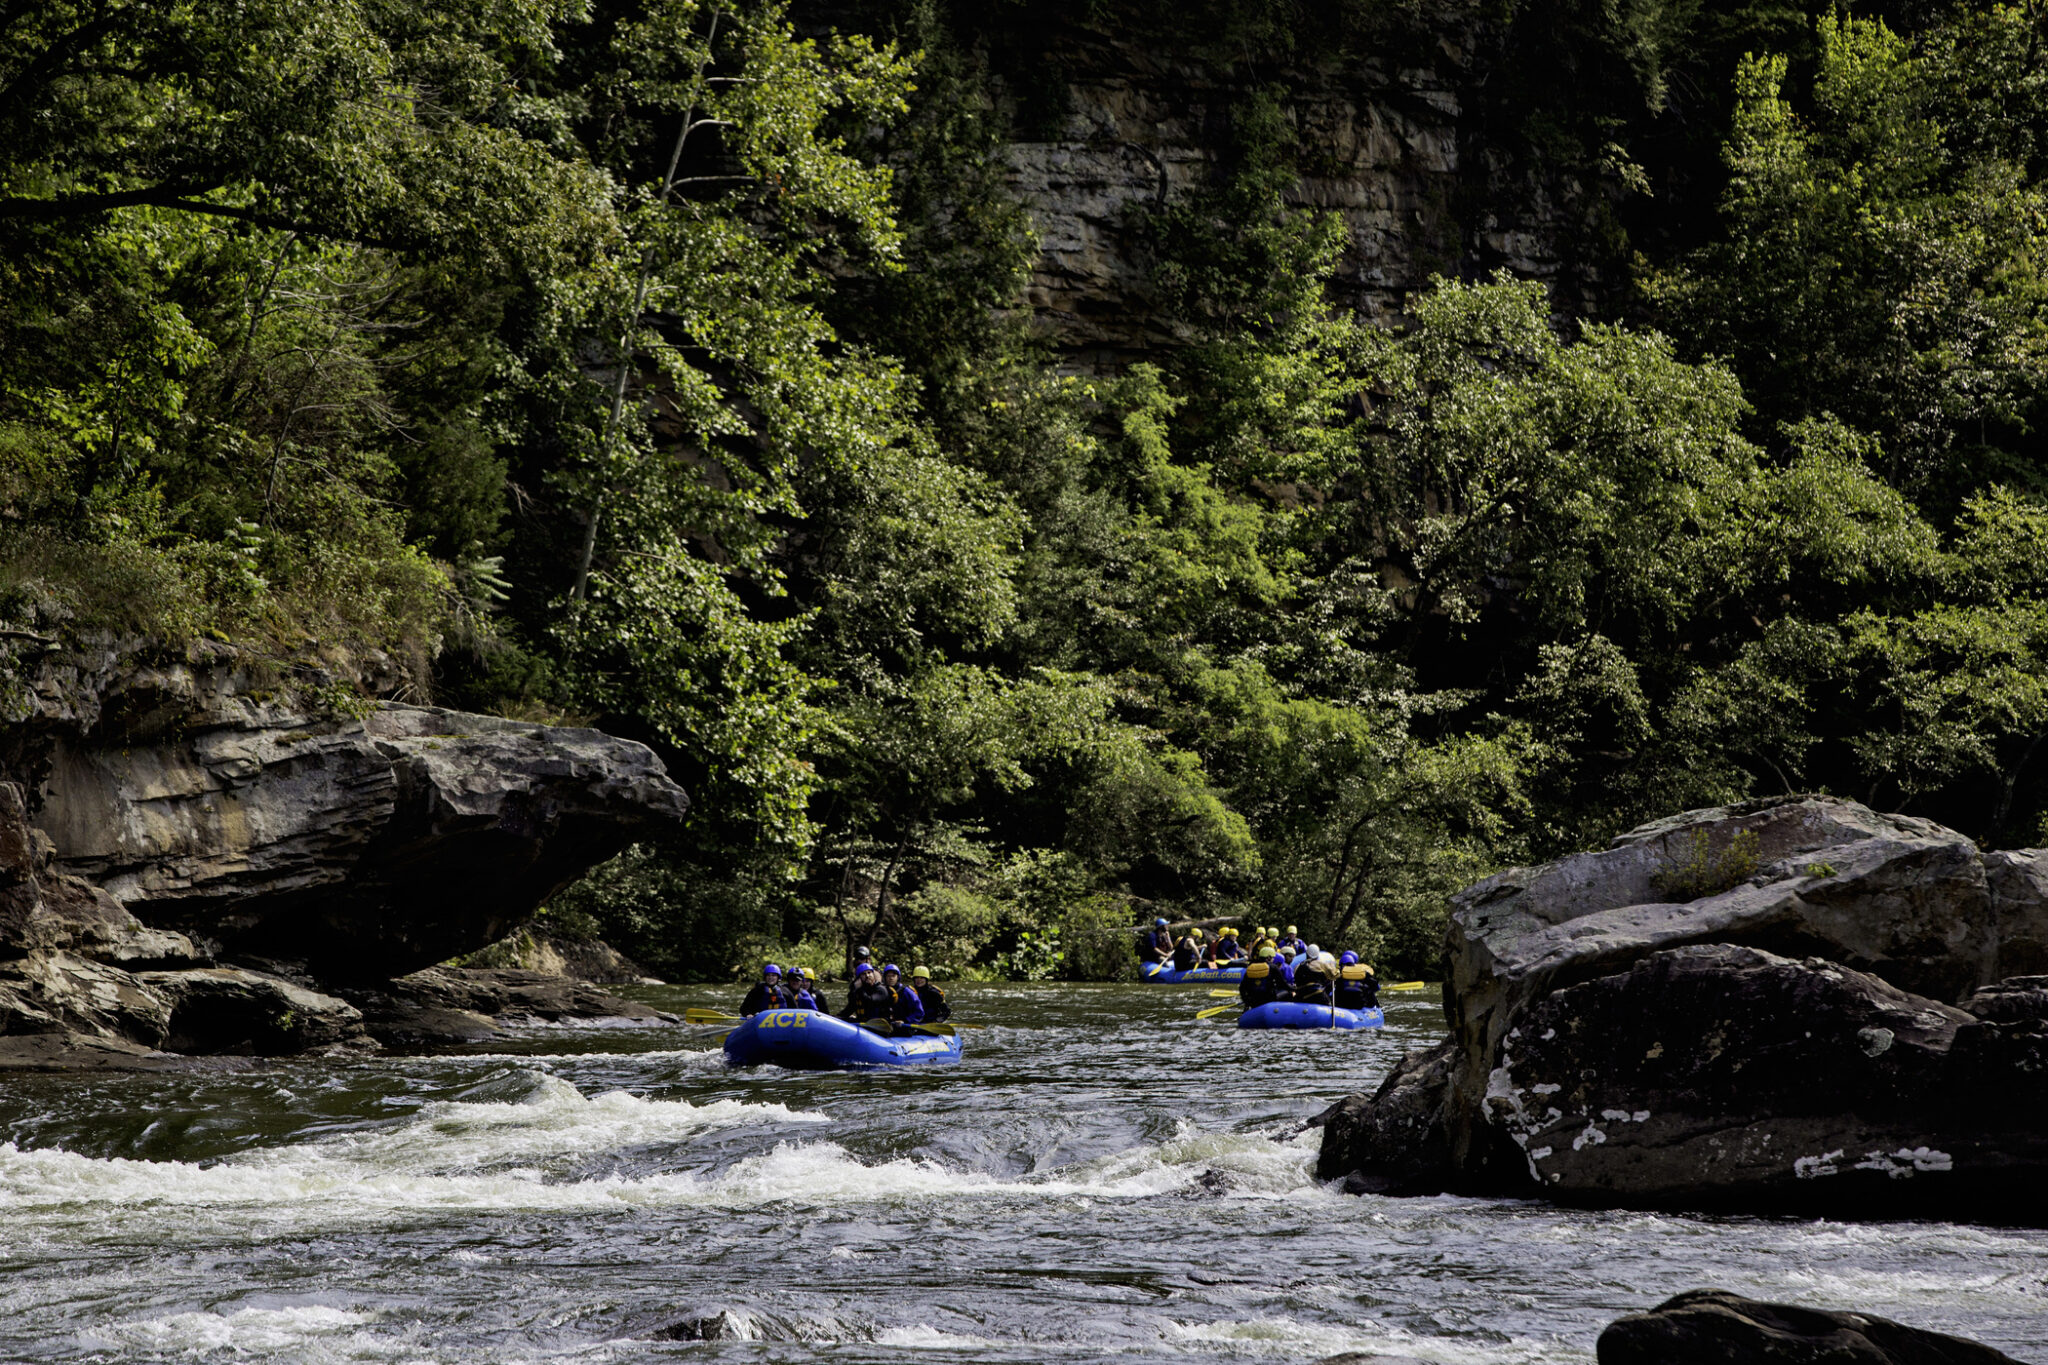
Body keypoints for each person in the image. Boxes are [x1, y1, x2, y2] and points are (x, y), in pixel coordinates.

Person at [880, 963, 925, 1028]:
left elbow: (919, 1012)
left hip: (905, 1025)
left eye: (893, 976)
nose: (891, 978)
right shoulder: (882, 991)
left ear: (898, 977)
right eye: (888, 976)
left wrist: (905, 1020)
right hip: (890, 1025)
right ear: (885, 978)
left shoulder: (906, 991)